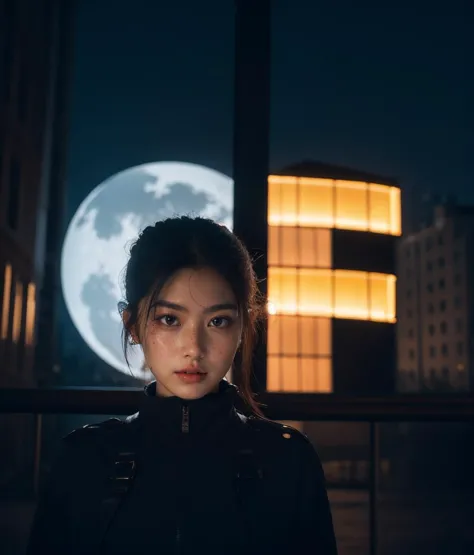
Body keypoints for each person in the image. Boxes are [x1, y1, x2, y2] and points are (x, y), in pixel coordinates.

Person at [27, 216, 338, 555]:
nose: (194, 347)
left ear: (243, 328)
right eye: (169, 319)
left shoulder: (288, 460)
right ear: (133, 326)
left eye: (218, 321)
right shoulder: (84, 459)